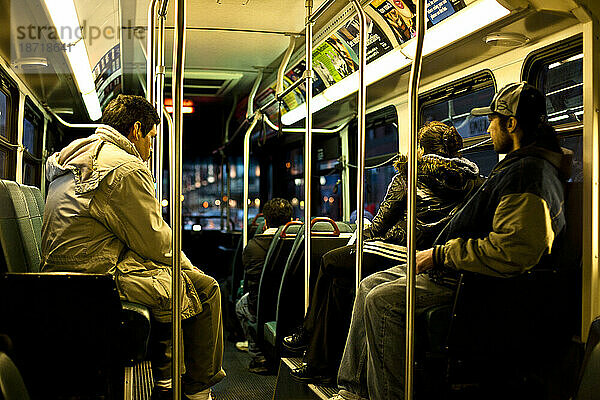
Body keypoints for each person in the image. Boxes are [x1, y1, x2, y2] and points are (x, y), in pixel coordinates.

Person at [330, 82, 571, 400]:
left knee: (381, 301)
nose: (488, 127)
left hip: (472, 283)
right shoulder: (515, 167)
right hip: (454, 269)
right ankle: (354, 390)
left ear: (511, 124)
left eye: (493, 119)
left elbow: (514, 250)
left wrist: (441, 255)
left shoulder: (528, 175)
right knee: (366, 287)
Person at [41, 95, 225, 400]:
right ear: (136, 130)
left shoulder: (76, 155)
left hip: (62, 270)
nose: (151, 150)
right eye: (151, 138)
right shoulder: (125, 168)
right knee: (204, 287)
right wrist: (189, 265)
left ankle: (166, 378)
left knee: (175, 280)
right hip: (98, 278)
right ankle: (197, 389)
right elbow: (155, 241)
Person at [285, 121, 482, 384]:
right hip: (430, 253)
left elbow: (379, 225)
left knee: (330, 260)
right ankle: (320, 359)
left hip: (395, 251)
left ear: (422, 150)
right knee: (339, 282)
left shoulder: (409, 175)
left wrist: (359, 236)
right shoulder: (473, 182)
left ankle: (308, 335)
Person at [235, 198, 293, 373]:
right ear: (290, 221)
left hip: (262, 303)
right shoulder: (299, 243)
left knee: (241, 306)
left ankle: (258, 354)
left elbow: (251, 281)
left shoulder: (253, 246)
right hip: (292, 301)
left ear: (265, 222)